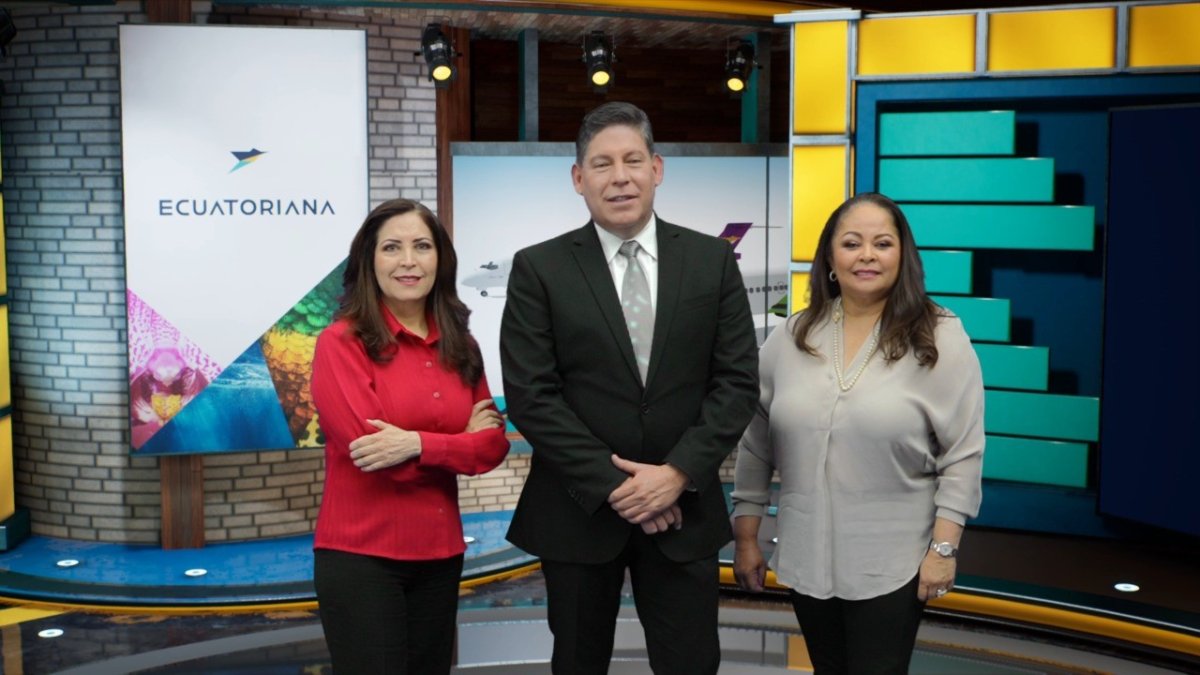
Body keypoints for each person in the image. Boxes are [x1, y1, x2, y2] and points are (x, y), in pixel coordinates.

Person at [500, 101, 759, 674]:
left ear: (657, 168)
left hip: (684, 509)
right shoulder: (539, 268)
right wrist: (622, 487)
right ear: (578, 178)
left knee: (691, 663)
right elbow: (531, 396)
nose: (620, 177)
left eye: (633, 160)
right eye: (601, 164)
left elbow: (738, 382)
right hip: (578, 511)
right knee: (576, 663)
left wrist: (676, 475)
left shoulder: (711, 260)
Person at [731, 192, 985, 674]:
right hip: (807, 560)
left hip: (895, 562)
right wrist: (747, 536)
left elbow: (964, 454)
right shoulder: (790, 337)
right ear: (830, 257)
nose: (866, 255)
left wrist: (944, 549)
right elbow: (757, 443)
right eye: (851, 243)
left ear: (902, 256)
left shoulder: (941, 336)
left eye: (882, 243)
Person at [310, 199, 510, 674]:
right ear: (369, 260)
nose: (408, 261)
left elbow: (493, 448)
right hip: (362, 557)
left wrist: (418, 443)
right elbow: (375, 454)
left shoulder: (463, 344)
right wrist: (458, 442)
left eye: (422, 246)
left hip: (441, 554)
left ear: (440, 259)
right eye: (392, 247)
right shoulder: (341, 343)